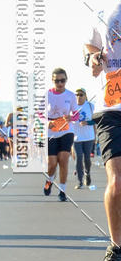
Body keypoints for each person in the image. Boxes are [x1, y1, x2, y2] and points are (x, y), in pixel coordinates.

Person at [84, 0, 121, 261]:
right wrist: (93, 57)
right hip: (111, 106)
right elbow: (90, 46)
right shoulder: (100, 8)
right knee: (117, 181)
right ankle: (116, 248)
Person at [45, 68, 78, 202]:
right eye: (57, 81)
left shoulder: (71, 95)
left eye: (62, 80)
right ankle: (49, 180)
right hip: (51, 132)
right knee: (52, 164)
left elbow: (76, 114)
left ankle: (62, 190)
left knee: (63, 159)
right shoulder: (47, 95)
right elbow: (39, 114)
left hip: (66, 130)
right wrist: (46, 123)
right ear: (52, 81)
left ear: (66, 80)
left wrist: (71, 117)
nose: (60, 83)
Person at [71, 88, 95, 189]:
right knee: (79, 158)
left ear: (85, 96)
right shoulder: (72, 106)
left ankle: (87, 173)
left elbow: (96, 120)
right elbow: (67, 120)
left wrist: (87, 122)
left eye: (81, 95)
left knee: (87, 159)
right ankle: (79, 181)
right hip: (77, 137)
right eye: (76, 95)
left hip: (88, 137)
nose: (78, 97)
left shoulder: (90, 106)